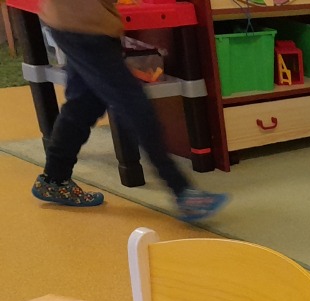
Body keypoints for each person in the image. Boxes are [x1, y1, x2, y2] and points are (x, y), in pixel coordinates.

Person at [30, 0, 228, 221]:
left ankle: (55, 178)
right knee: (134, 105)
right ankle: (182, 191)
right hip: (85, 26)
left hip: (71, 22)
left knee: (84, 104)